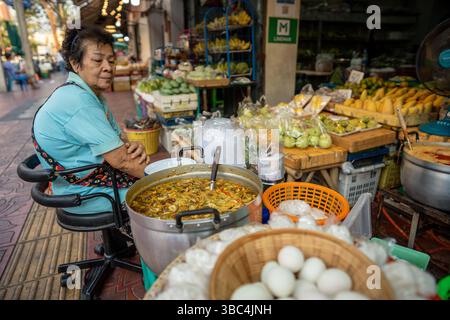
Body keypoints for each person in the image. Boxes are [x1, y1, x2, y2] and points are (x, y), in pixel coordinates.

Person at [32, 25, 150, 215]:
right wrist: (164, 176)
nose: (108, 67)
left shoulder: (90, 96)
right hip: (85, 194)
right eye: (97, 60)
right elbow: (123, 161)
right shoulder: (77, 101)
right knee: (157, 192)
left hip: (86, 183)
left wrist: (133, 147)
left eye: (111, 61)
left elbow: (121, 145)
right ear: (76, 64)